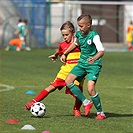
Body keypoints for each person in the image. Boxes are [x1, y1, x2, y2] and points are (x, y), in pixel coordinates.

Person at [25, 21, 89, 117]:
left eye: (67, 35)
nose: (65, 37)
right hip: (65, 70)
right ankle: (33, 101)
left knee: (77, 92)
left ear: (73, 32)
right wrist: (55, 55)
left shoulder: (79, 42)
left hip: (77, 70)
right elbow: (60, 52)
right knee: (52, 86)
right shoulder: (62, 44)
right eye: (63, 35)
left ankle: (77, 109)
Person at [60, 14, 106, 120]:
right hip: (82, 64)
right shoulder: (79, 35)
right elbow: (75, 44)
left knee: (90, 89)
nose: (79, 28)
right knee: (68, 81)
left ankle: (101, 113)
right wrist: (65, 53)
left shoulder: (94, 36)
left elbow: (101, 51)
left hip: (93, 65)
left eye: (81, 26)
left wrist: (94, 58)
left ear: (89, 25)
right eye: (78, 26)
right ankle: (86, 103)